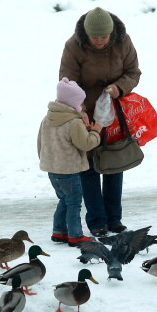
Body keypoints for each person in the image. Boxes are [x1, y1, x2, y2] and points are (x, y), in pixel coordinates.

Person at [59, 7, 141, 237]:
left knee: (115, 164)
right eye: (95, 37)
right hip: (84, 113)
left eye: (103, 36)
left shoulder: (123, 42)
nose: (99, 41)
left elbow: (133, 72)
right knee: (90, 167)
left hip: (114, 113)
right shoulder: (73, 46)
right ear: (86, 34)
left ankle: (114, 219)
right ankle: (97, 221)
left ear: (111, 33)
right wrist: (81, 112)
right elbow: (67, 83)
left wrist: (119, 87)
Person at [37, 77, 101, 246]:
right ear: (73, 103)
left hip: (52, 170)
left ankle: (59, 232)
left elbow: (40, 143)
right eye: (80, 102)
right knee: (74, 203)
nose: (81, 105)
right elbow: (86, 144)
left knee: (64, 200)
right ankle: (75, 235)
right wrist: (95, 132)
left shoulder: (47, 119)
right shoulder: (73, 122)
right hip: (69, 170)